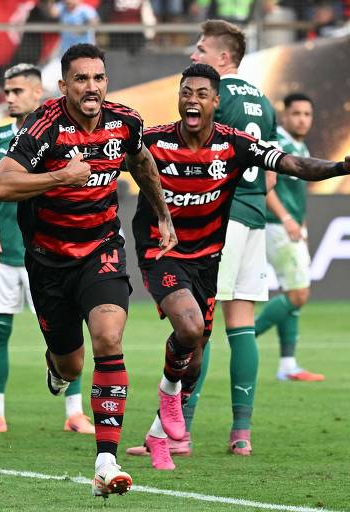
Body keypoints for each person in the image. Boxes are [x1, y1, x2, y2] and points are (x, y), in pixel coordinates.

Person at [124, 64, 349, 470]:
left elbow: (292, 164)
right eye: (186, 92)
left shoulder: (235, 143)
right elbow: (105, 166)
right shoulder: (152, 141)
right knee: (189, 327)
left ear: (216, 102)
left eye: (201, 94)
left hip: (207, 260)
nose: (192, 99)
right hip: (162, 251)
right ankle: (170, 402)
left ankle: (160, 434)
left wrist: (339, 168)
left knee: (192, 358)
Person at [0, 43, 177, 498]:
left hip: (101, 249)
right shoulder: (43, 125)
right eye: (81, 79)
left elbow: (143, 164)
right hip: (49, 260)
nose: (91, 88)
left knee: (109, 337)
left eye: (98, 78)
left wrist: (164, 215)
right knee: (70, 363)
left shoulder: (125, 121)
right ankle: (57, 369)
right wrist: (59, 177)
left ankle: (105, 461)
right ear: (63, 85)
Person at [0, 63, 96, 436]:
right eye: (6, 92)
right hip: (7, 252)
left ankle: (75, 412)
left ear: (38, 93)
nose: (9, 97)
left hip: (53, 252)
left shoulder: (62, 134)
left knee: (67, 334)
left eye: (17, 91)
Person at [187, 19, 278, 456]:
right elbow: (273, 177)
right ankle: (241, 432)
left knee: (197, 328)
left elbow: (195, 155)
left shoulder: (213, 97)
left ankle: (176, 430)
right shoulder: (263, 101)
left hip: (223, 220)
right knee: (240, 324)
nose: (193, 55)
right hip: (256, 214)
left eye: (201, 49)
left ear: (223, 58)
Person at [255, 93, 324, 382]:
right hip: (276, 225)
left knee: (291, 292)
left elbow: (298, 195)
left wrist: (302, 225)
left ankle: (288, 365)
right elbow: (266, 187)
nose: (302, 119)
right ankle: (243, 335)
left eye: (307, 114)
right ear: (285, 115)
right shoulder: (279, 147)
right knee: (298, 294)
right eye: (297, 114)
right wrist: (286, 219)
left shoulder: (301, 147)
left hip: (293, 227)